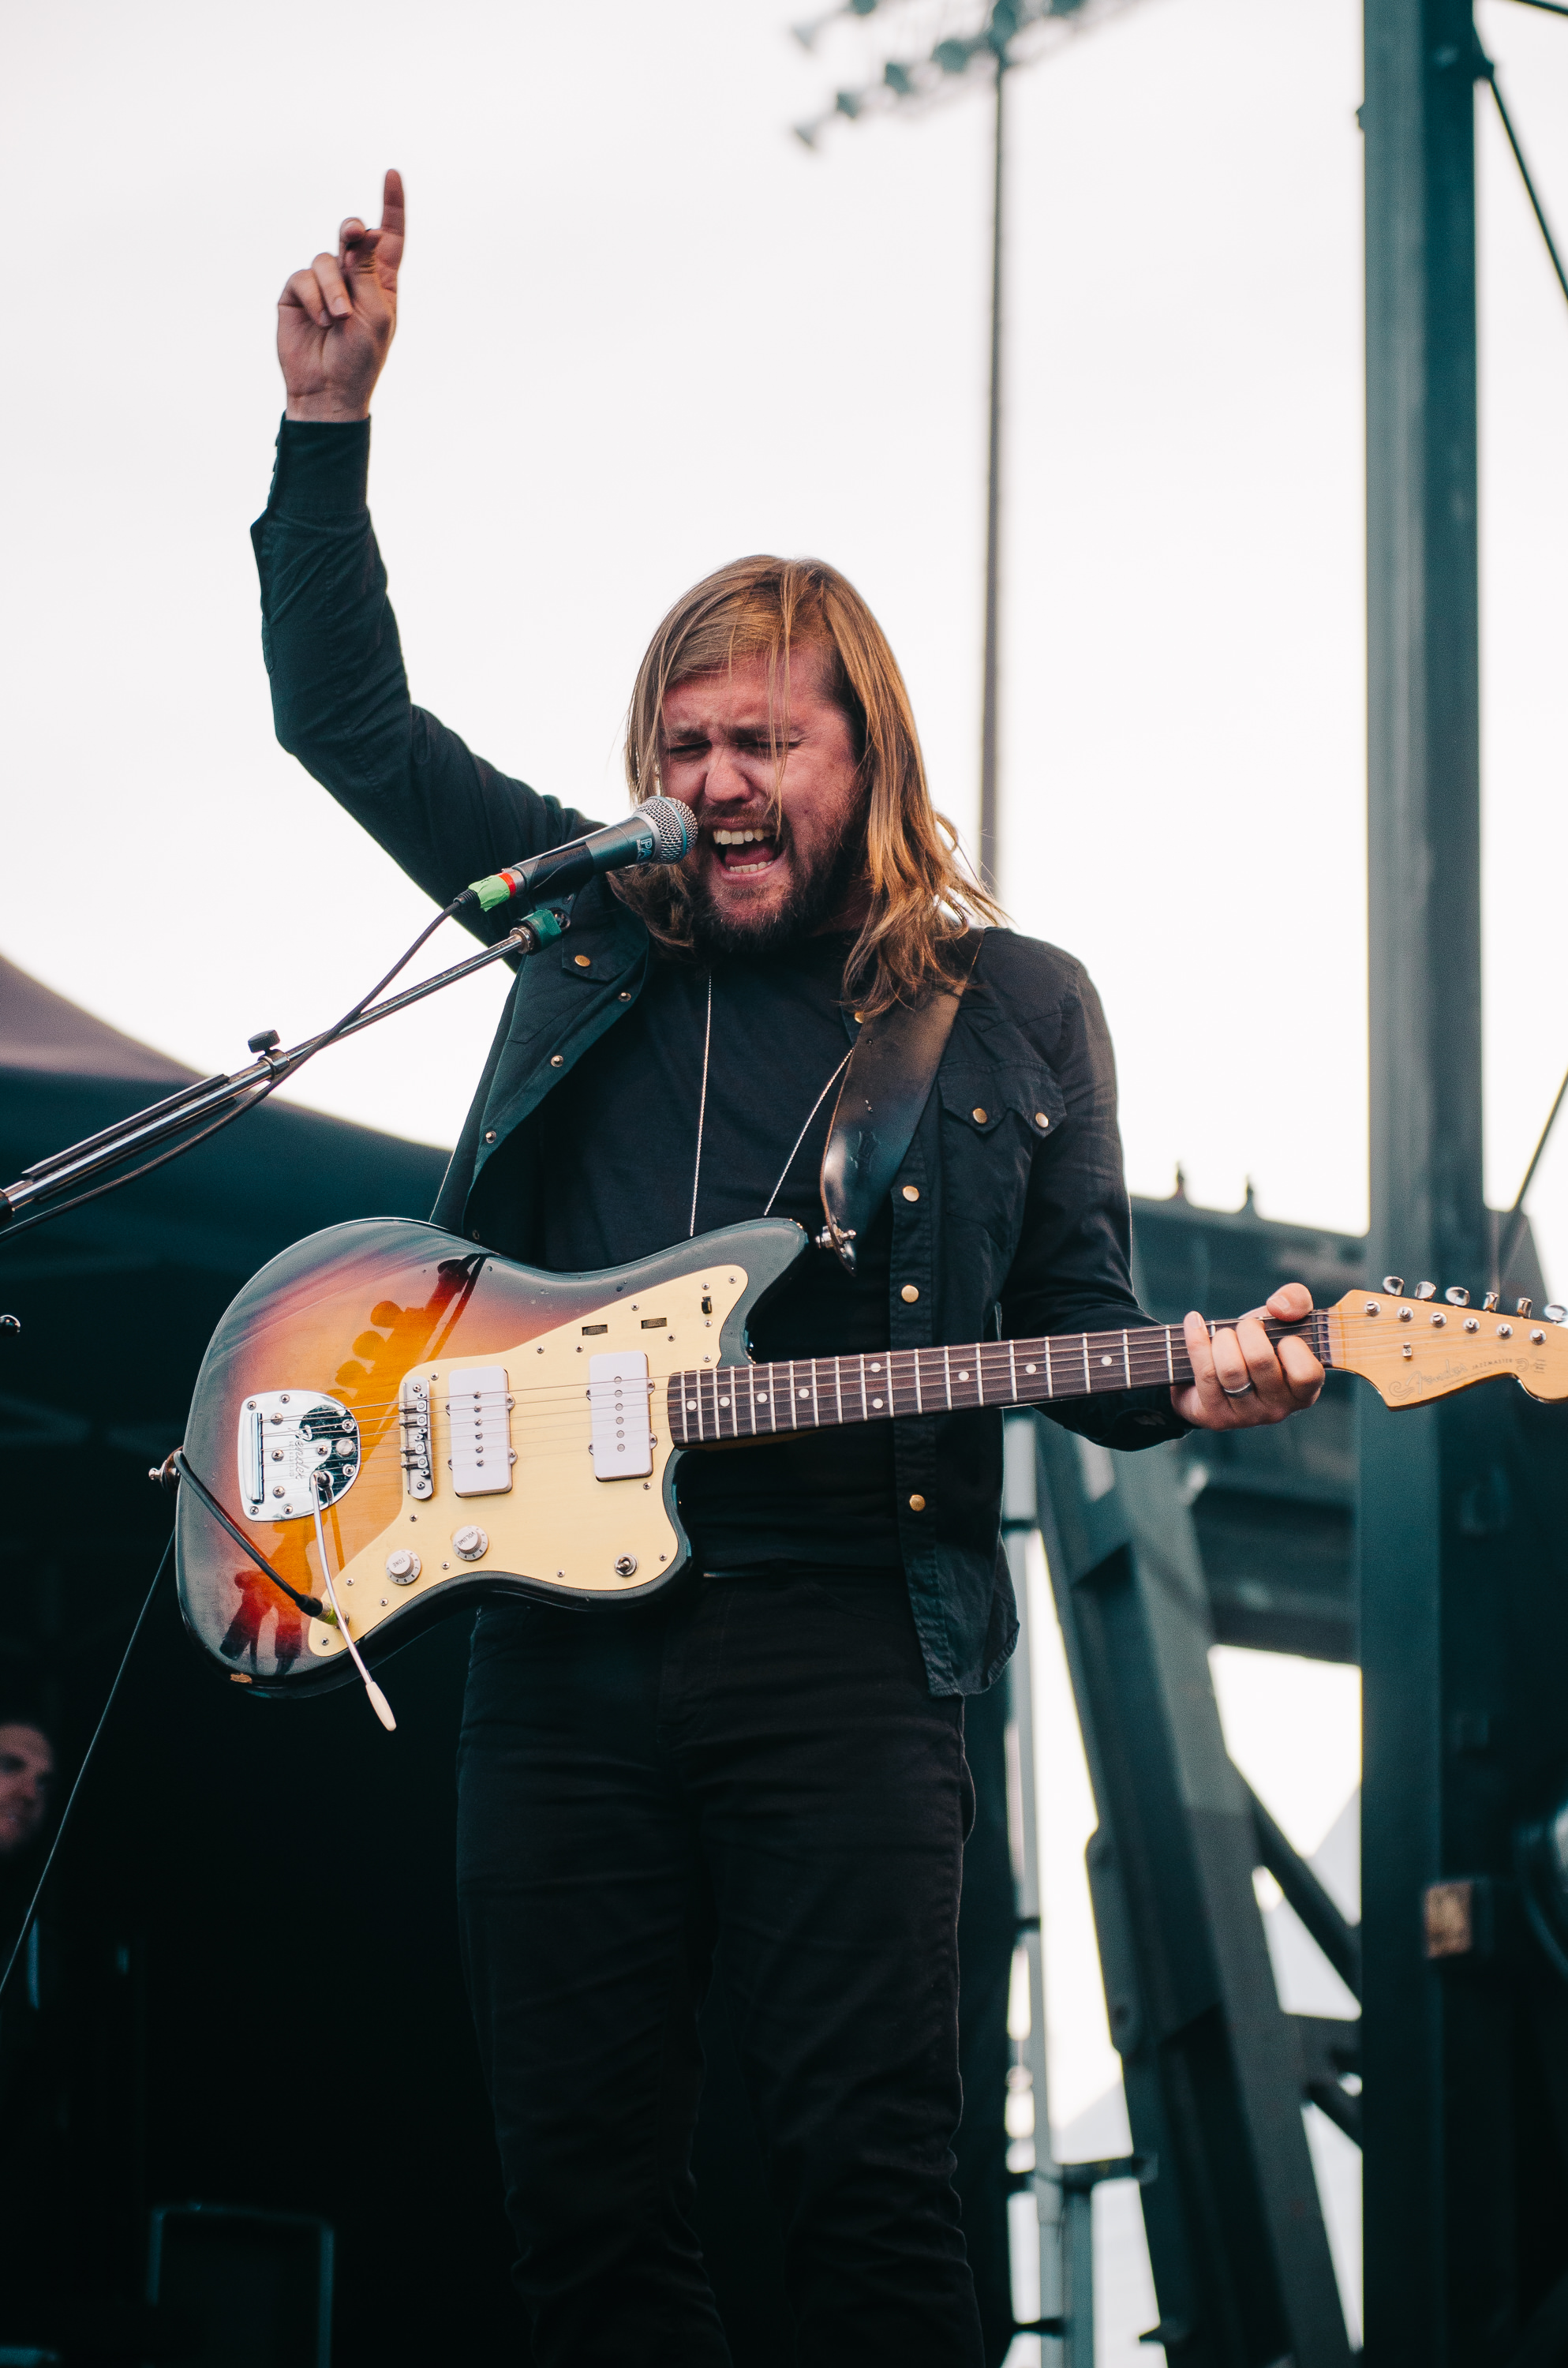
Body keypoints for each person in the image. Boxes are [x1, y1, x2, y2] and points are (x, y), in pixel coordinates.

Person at [253, 170, 1324, 2367]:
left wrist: (1193, 1381)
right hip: (552, 1654)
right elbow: (342, 718)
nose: (711, 784)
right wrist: (325, 423)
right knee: (582, 2203)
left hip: (850, 1645)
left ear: (862, 761)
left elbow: (1075, 1336)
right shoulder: (581, 925)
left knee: (863, 2185)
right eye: (682, 747)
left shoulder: (1011, 1009)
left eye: (760, 745)